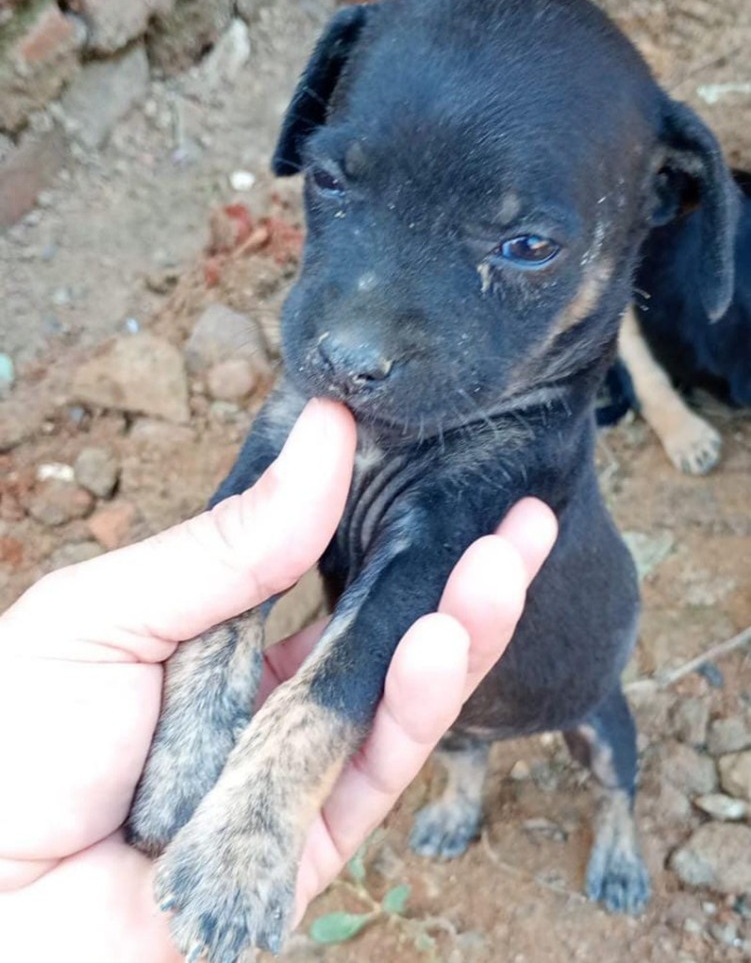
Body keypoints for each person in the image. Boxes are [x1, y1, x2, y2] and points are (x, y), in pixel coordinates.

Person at [0, 399, 556, 963]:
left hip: (542, 684)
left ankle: (594, 800)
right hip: (442, 663)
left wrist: (275, 790)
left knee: (472, 669)